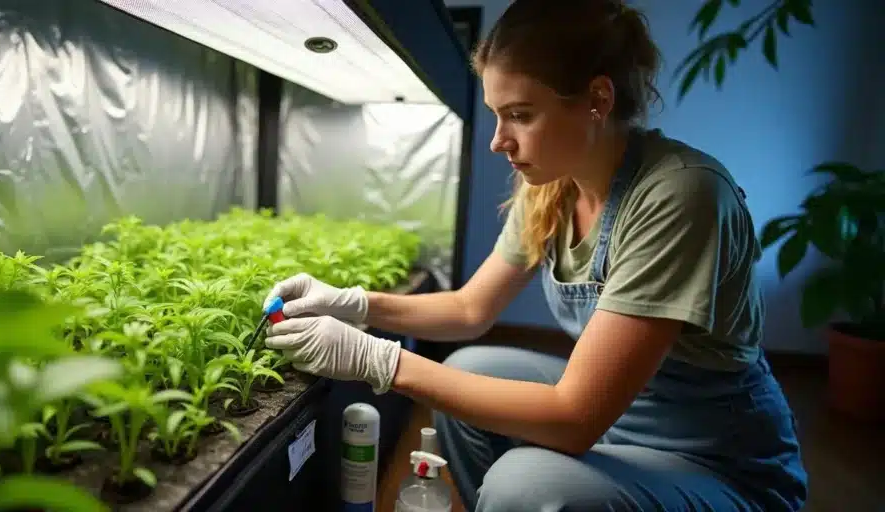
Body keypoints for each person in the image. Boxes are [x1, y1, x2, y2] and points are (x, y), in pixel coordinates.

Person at [261, 0, 808, 510]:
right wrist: (352, 304)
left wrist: (377, 361)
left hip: (712, 456)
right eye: (498, 114)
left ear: (598, 99)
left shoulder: (680, 194)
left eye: (520, 114)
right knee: (472, 366)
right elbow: (469, 311)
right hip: (619, 414)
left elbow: (573, 419)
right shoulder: (552, 185)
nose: (500, 140)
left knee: (525, 486)